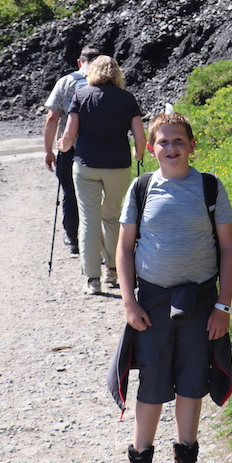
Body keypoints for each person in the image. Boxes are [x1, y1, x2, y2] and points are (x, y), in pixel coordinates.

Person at [112, 111, 232, 463]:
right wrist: (129, 301)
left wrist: (223, 305)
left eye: (178, 141)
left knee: (191, 381)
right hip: (151, 302)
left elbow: (230, 248)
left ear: (191, 145)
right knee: (151, 383)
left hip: (200, 302)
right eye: (163, 142)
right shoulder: (141, 188)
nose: (171, 148)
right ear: (150, 148)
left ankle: (186, 462)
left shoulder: (210, 188)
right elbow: (124, 247)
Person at [57, 55, 146, 295]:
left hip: (86, 165)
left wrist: (62, 147)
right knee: (113, 216)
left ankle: (92, 279)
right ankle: (113, 269)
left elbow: (69, 135)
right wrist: (139, 155)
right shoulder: (127, 99)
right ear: (117, 74)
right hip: (118, 165)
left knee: (89, 219)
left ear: (92, 72)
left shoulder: (81, 95)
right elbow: (139, 136)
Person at [43, 44, 100, 255]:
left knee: (70, 192)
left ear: (79, 62)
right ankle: (100, 241)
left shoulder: (66, 82)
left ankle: (72, 237)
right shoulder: (109, 82)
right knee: (98, 194)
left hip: (70, 148)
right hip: (101, 148)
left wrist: (48, 150)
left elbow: (52, 117)